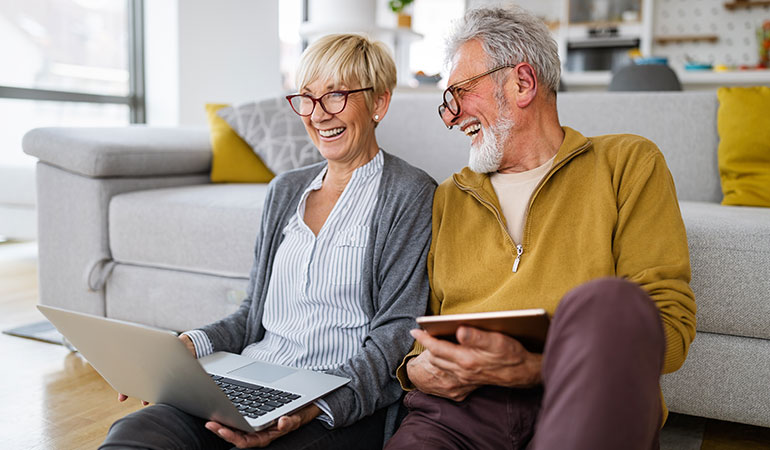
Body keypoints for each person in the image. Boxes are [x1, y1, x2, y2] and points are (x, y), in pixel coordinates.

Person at [100, 33, 436, 450]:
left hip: (338, 408)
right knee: (139, 431)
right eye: (307, 98)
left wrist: (308, 408)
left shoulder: (411, 193)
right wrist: (185, 346)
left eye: (336, 96)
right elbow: (249, 317)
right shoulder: (285, 190)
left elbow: (396, 338)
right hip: (252, 381)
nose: (317, 114)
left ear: (379, 103)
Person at [385, 7, 697, 450]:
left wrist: (538, 366)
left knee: (611, 302)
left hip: (582, 396)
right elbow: (424, 331)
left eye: (460, 94)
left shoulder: (627, 164)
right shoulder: (449, 197)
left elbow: (668, 330)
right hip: (459, 412)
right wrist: (418, 370)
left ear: (523, 83)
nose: (452, 117)